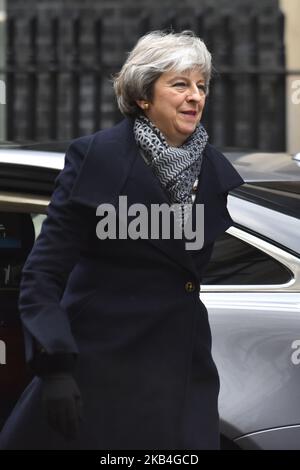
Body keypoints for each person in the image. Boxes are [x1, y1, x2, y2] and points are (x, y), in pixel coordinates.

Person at [0, 30, 244, 450]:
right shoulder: (97, 159)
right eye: (180, 84)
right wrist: (55, 366)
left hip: (181, 368)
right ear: (143, 96)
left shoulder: (213, 170)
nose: (195, 97)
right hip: (100, 366)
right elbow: (42, 275)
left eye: (201, 86)